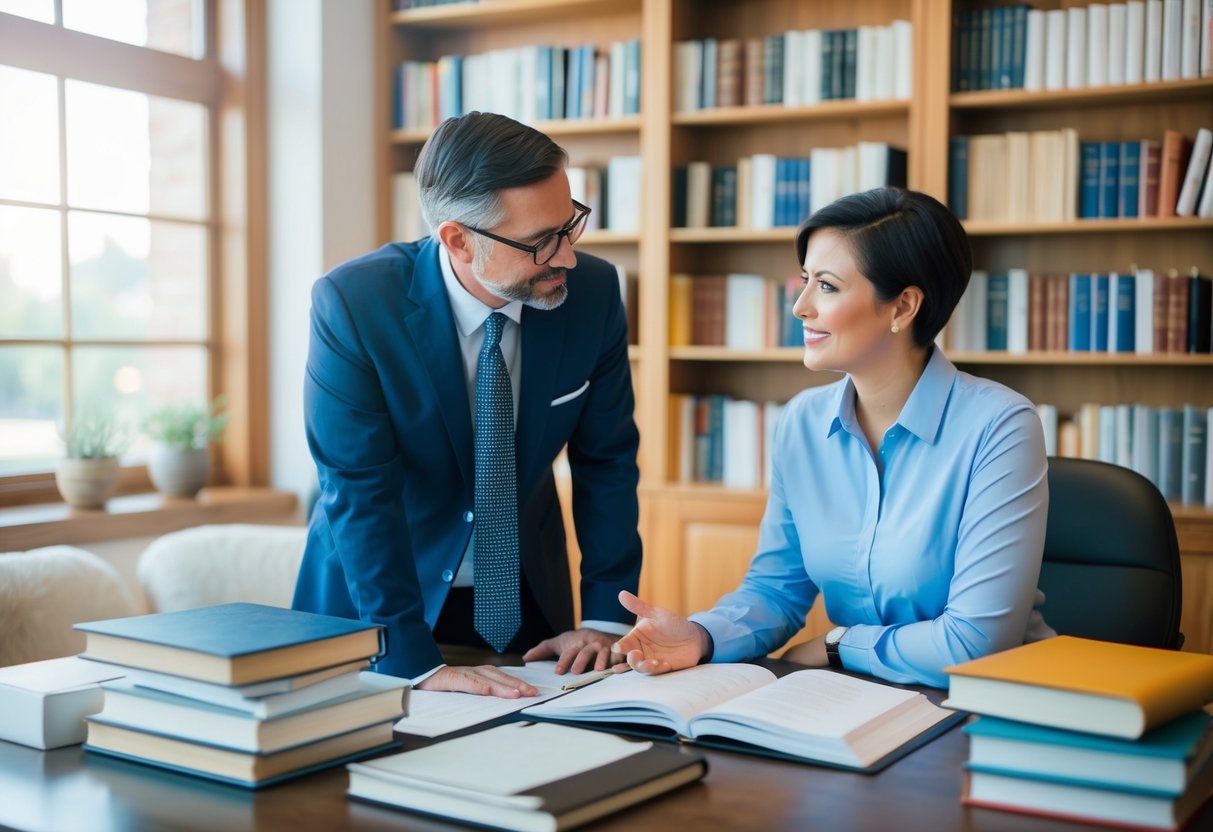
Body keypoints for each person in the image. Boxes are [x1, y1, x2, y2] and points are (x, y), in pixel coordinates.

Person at [612, 187, 1053, 689]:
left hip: (989, 706)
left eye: (826, 286)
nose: (800, 307)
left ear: (903, 306)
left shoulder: (1000, 425)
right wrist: (700, 636)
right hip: (855, 700)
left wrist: (836, 645)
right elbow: (777, 590)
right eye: (804, 281)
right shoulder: (802, 421)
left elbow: (973, 643)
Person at [293, 112, 642, 696]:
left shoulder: (595, 294)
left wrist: (606, 618)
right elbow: (358, 490)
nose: (567, 258)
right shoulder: (353, 304)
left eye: (570, 224)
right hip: (378, 614)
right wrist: (412, 663)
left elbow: (607, 461)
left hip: (530, 605)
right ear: (457, 239)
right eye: (540, 243)